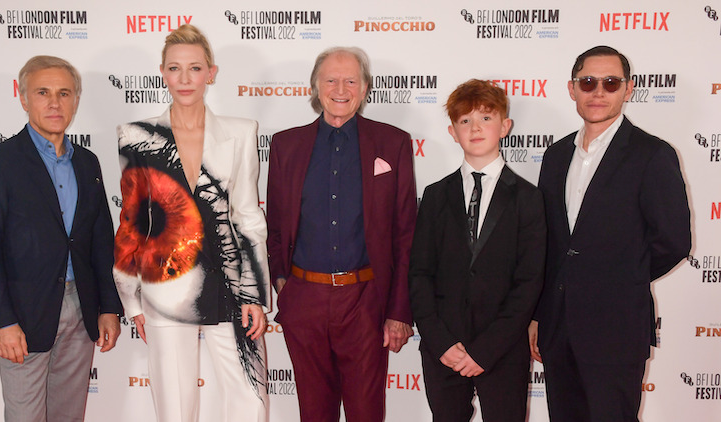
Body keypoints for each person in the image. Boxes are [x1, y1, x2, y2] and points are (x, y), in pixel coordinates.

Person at [113, 24, 270, 422]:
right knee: (175, 405)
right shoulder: (135, 136)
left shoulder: (240, 131)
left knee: (250, 400)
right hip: (164, 286)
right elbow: (133, 222)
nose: (185, 79)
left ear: (211, 73)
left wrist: (254, 294)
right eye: (175, 69)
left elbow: (249, 218)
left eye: (195, 68)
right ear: (162, 72)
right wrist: (131, 301)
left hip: (231, 283)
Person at [529, 45, 691, 422]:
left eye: (610, 82)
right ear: (572, 89)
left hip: (617, 328)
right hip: (557, 326)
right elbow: (549, 244)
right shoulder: (554, 157)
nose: (598, 91)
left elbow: (674, 241)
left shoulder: (653, 154)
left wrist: (619, 278)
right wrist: (539, 314)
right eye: (588, 82)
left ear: (628, 89)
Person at [266, 46, 416, 422]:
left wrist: (398, 312)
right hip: (304, 299)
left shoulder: (393, 143)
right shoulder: (286, 145)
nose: (340, 88)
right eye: (331, 79)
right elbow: (276, 225)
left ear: (365, 88)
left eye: (351, 80)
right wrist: (283, 284)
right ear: (315, 87)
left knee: (367, 413)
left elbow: (405, 234)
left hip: (366, 301)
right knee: (314, 414)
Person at [0, 55, 122, 421]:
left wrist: (108, 307)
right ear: (23, 98)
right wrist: (2, 321)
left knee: (70, 416)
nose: (55, 103)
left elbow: (101, 240)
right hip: (23, 315)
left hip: (80, 308)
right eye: (43, 92)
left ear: (75, 100)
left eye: (64, 93)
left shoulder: (88, 163)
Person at [408, 79, 545, 422]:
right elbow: (419, 273)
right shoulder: (435, 196)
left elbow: (529, 282)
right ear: (453, 132)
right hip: (444, 350)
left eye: (486, 118)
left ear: (505, 126)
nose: (476, 128)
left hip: (502, 349)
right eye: (465, 121)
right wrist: (439, 342)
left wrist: (486, 350)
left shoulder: (529, 198)